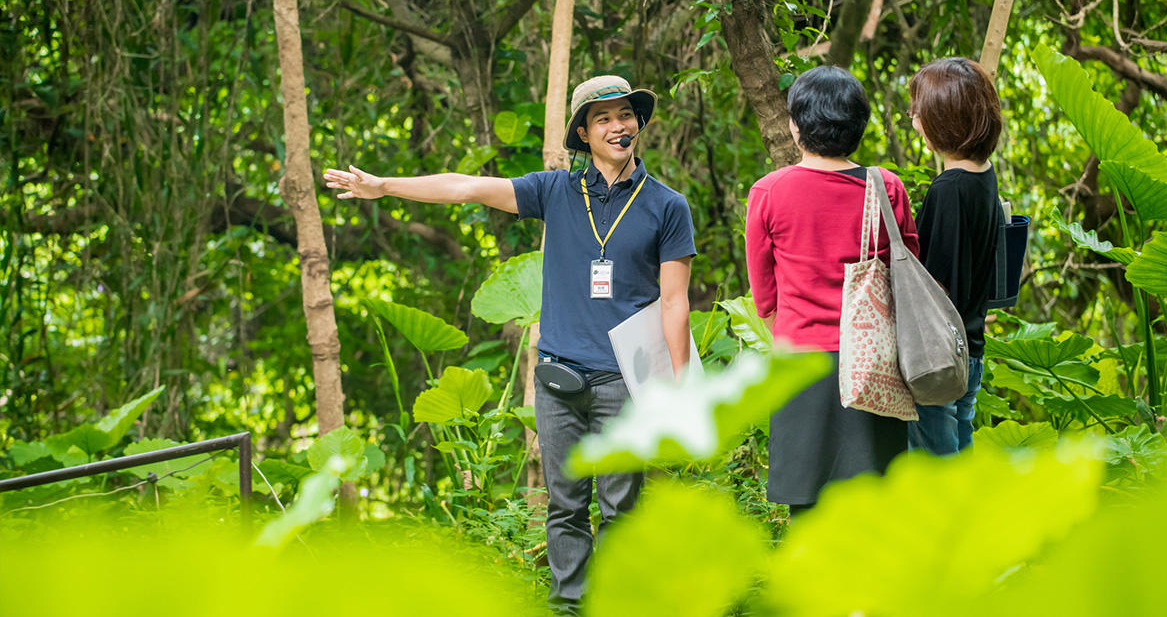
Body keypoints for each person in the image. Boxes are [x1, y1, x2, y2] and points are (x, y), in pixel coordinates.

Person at [323, 74, 696, 614]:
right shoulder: (556, 191)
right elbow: (468, 186)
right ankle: (568, 607)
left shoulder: (667, 205)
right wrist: (385, 186)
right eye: (603, 119)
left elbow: (674, 303)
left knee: (622, 508)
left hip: (625, 381)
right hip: (560, 379)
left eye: (625, 115)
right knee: (566, 506)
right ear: (583, 134)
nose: (619, 126)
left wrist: (681, 387)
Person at [744, 65, 920, 516]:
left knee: (807, 506)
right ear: (858, 127)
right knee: (872, 509)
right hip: (875, 362)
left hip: (800, 364)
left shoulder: (768, 192)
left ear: (796, 125)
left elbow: (764, 298)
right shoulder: (887, 188)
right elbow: (911, 276)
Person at [906, 57, 1002, 455]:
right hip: (970, 350)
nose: (914, 119)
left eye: (920, 110)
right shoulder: (984, 177)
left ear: (944, 120)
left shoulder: (949, 189)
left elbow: (935, 287)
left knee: (937, 477)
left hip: (938, 362)